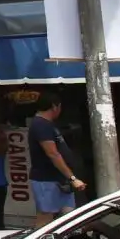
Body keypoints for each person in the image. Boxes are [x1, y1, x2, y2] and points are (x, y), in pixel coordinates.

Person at [27, 93, 85, 228]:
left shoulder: (49, 125)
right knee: (45, 218)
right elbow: (53, 154)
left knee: (69, 217)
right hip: (46, 180)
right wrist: (72, 178)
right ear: (54, 106)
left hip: (60, 180)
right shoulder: (40, 125)